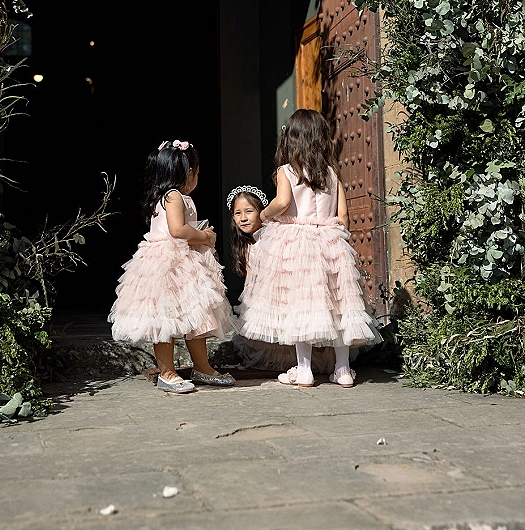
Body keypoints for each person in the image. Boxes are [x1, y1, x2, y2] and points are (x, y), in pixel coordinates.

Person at [236, 110, 382, 388]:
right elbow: (343, 217)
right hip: (329, 241)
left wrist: (264, 216)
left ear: (291, 140)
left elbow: (281, 203)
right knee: (339, 305)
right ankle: (343, 370)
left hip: (297, 244)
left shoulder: (286, 171)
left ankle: (304, 370)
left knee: (299, 306)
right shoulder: (330, 173)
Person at [108, 139, 237, 393]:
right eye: (197, 172)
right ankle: (167, 372)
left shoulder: (174, 197)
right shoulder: (174, 196)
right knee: (165, 320)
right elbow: (178, 230)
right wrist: (206, 237)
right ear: (189, 173)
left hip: (183, 264)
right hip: (169, 266)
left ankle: (202, 367)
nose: (197, 176)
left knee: (196, 318)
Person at [228, 184, 336, 375]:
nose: (243, 218)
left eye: (249, 211)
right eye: (237, 213)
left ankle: (305, 362)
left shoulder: (274, 241)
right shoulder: (245, 246)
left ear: (262, 212)